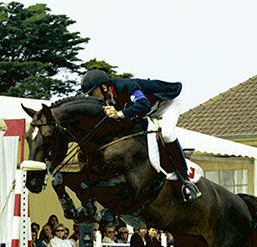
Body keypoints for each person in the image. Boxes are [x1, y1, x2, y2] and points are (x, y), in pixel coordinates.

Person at [81, 69, 201, 202]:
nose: (91, 97)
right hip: (150, 111)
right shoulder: (108, 100)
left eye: (92, 93)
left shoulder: (126, 86)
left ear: (103, 87)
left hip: (167, 104)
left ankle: (186, 181)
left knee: (167, 134)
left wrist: (120, 114)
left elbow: (144, 104)